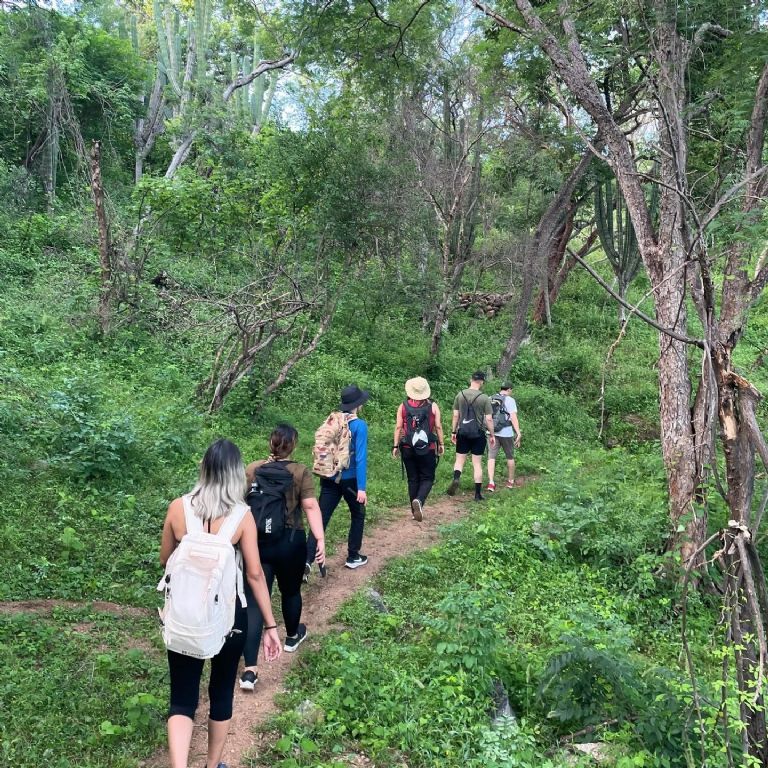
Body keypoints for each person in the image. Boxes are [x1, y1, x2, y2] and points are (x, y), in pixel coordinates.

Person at [160, 439, 281, 768]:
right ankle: (212, 766)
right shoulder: (242, 517)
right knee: (222, 690)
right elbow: (255, 575)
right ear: (235, 475)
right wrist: (270, 626)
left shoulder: (178, 507)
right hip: (230, 617)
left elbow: (165, 560)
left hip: (184, 615)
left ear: (204, 469)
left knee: (182, 698)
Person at [239, 424, 326, 691]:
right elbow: (310, 505)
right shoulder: (299, 472)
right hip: (291, 542)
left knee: (253, 602)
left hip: (257, 545)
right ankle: (291, 636)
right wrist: (320, 539)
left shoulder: (253, 469)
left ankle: (250, 670)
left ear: (271, 444)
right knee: (290, 592)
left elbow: (239, 504)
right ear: (293, 445)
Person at [306, 384, 370, 574]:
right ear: (358, 404)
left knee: (321, 519)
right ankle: (353, 555)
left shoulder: (333, 420)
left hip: (329, 477)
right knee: (358, 514)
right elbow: (360, 457)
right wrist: (362, 488)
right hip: (350, 480)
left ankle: (306, 562)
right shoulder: (359, 425)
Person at [392, 376, 445, 521]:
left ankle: (413, 511)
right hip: (427, 447)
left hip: (407, 447)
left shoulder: (403, 406)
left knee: (412, 479)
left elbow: (398, 427)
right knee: (428, 477)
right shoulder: (433, 406)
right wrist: (441, 444)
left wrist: (395, 446)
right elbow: (438, 426)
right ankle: (419, 501)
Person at [447, 371, 496, 501]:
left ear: (471, 379)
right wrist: (492, 434)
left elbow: (456, 415)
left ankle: (456, 478)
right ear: (482, 382)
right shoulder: (484, 398)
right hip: (478, 434)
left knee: (459, 460)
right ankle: (477, 494)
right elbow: (489, 419)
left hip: (462, 432)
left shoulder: (460, 395)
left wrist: (453, 432)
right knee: (477, 463)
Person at [487, 383, 522, 492]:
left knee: (491, 457)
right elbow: (513, 417)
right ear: (509, 389)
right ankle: (510, 481)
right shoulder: (510, 400)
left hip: (491, 432)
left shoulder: (490, 398)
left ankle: (491, 483)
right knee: (510, 457)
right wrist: (518, 432)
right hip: (506, 432)